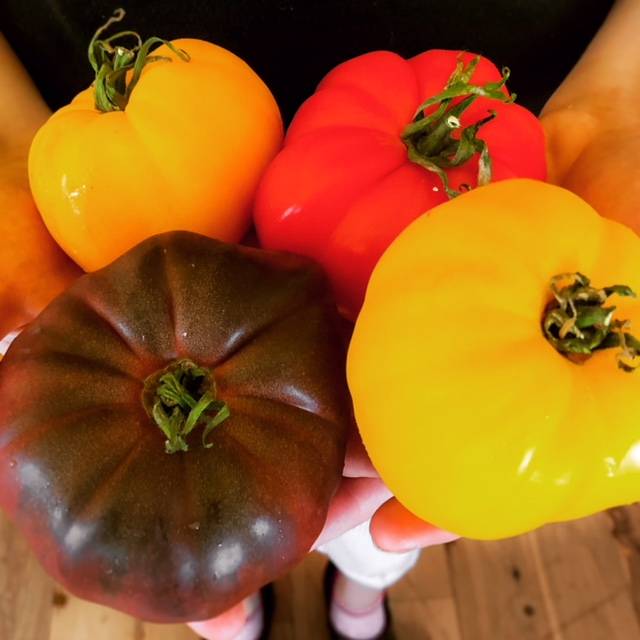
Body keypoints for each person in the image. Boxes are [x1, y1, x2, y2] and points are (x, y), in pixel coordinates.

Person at [1, 0, 636, 638]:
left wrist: (620, 91)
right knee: (247, 540)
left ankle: (358, 593)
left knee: (374, 532)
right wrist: (8, 139)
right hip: (101, 179)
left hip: (499, 161)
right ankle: (294, 606)